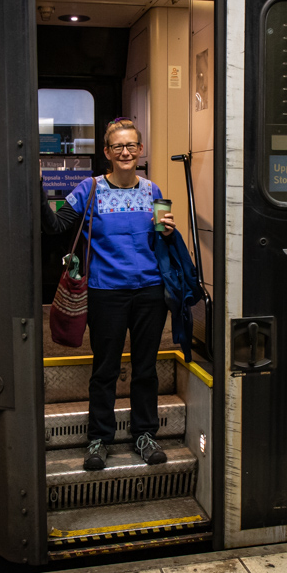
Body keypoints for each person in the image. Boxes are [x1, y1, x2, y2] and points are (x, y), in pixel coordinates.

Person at [41, 118, 175, 470]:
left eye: (132, 145)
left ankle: (144, 436)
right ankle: (99, 439)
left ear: (140, 150)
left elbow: (162, 239)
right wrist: (37, 188)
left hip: (150, 292)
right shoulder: (90, 189)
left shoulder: (153, 190)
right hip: (106, 293)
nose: (126, 152)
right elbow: (55, 225)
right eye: (118, 146)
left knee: (146, 369)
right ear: (107, 153)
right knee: (105, 370)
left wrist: (168, 232)